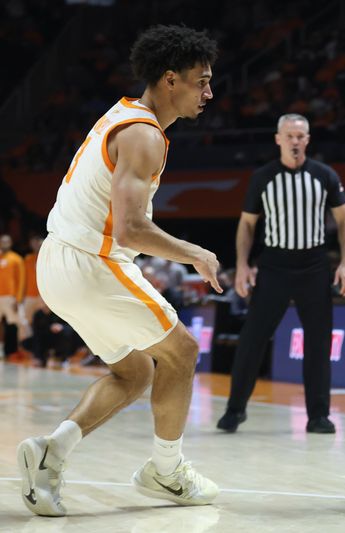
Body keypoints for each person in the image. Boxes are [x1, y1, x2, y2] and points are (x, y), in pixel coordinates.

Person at [17, 25, 221, 517]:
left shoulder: (124, 114)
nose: (209, 93)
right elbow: (130, 229)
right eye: (201, 81)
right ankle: (166, 472)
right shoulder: (144, 135)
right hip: (91, 262)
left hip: (58, 262)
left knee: (133, 372)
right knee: (183, 352)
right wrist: (194, 252)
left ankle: (51, 452)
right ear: (170, 79)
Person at [216, 113, 345, 434]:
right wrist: (242, 265)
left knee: (319, 342)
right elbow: (247, 225)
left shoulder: (324, 175)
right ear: (278, 139)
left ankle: (318, 415)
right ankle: (235, 410)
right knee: (253, 338)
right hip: (274, 265)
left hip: (314, 265)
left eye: (300, 136)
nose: (295, 141)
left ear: (308, 140)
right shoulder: (262, 178)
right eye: (289, 136)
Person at [0, 233, 24, 359]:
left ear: (11, 243)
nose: (4, 244)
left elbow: (21, 280)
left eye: (7, 241)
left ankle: (11, 351)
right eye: (2, 241)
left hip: (10, 297)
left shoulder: (16, 259)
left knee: (12, 324)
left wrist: (18, 298)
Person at [21, 234, 46, 341]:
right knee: (24, 321)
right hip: (29, 295)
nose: (36, 244)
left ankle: (45, 346)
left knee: (44, 321)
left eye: (38, 241)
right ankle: (26, 346)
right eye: (33, 242)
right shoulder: (27, 259)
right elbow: (22, 279)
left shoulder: (47, 257)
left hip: (44, 296)